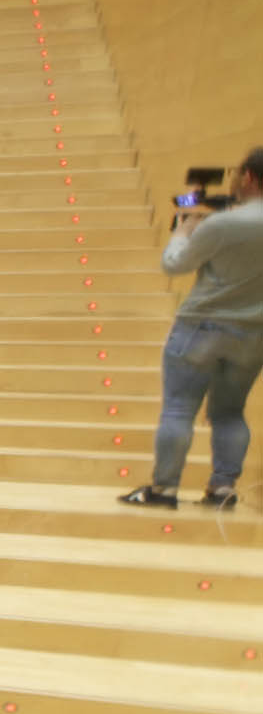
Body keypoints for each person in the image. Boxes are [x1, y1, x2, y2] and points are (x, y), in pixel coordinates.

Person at [124, 145, 263, 506]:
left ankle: (164, 489)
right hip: (254, 332)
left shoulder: (223, 223)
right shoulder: (228, 220)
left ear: (249, 177)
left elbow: (175, 264)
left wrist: (183, 230)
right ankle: (223, 489)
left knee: (179, 408)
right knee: (230, 411)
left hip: (202, 325)